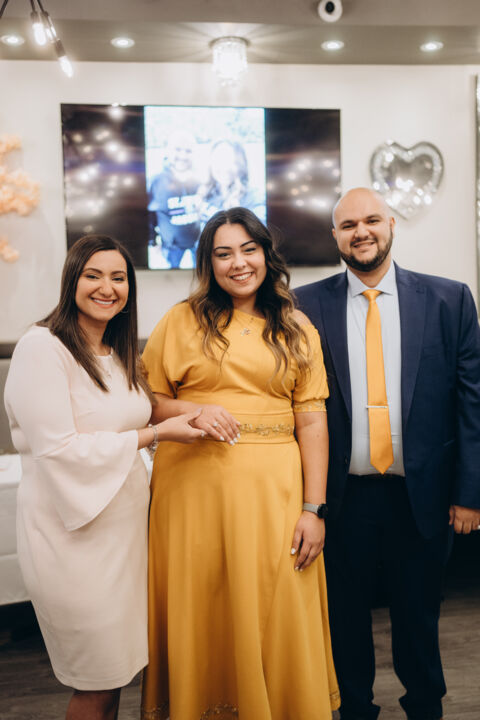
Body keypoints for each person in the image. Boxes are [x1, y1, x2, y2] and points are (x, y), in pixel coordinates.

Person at [140, 207, 340, 719]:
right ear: (209, 263)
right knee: (203, 603)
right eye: (223, 253)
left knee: (278, 602)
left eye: (249, 249)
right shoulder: (180, 320)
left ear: (266, 255)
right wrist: (193, 409)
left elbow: (312, 421)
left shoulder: (296, 327)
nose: (238, 263)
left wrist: (313, 509)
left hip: (275, 495)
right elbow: (149, 404)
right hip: (192, 494)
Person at [295, 187, 480, 720]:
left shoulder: (449, 300)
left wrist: (470, 493)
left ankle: (425, 708)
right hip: (341, 497)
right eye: (349, 224)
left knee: (419, 619)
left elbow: (471, 403)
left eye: (372, 220)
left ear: (391, 224)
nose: (362, 232)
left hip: (421, 495)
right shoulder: (303, 305)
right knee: (344, 618)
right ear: (335, 236)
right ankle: (354, 710)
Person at [3, 234, 203, 720]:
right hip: (72, 538)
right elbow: (59, 449)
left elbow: (143, 408)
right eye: (93, 275)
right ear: (71, 279)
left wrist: (204, 409)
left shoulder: (116, 352)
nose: (106, 288)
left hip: (124, 535)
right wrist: (156, 435)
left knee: (117, 676)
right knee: (95, 681)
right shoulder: (42, 347)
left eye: (118, 277)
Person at [148, 129, 201, 269]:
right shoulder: (156, 181)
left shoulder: (201, 180)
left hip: (199, 244)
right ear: (168, 150)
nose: (183, 156)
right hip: (171, 247)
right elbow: (149, 216)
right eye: (177, 149)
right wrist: (152, 241)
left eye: (188, 151)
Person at [199, 139, 266, 223]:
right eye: (219, 160)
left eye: (232, 162)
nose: (225, 168)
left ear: (241, 165)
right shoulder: (206, 192)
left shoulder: (254, 197)